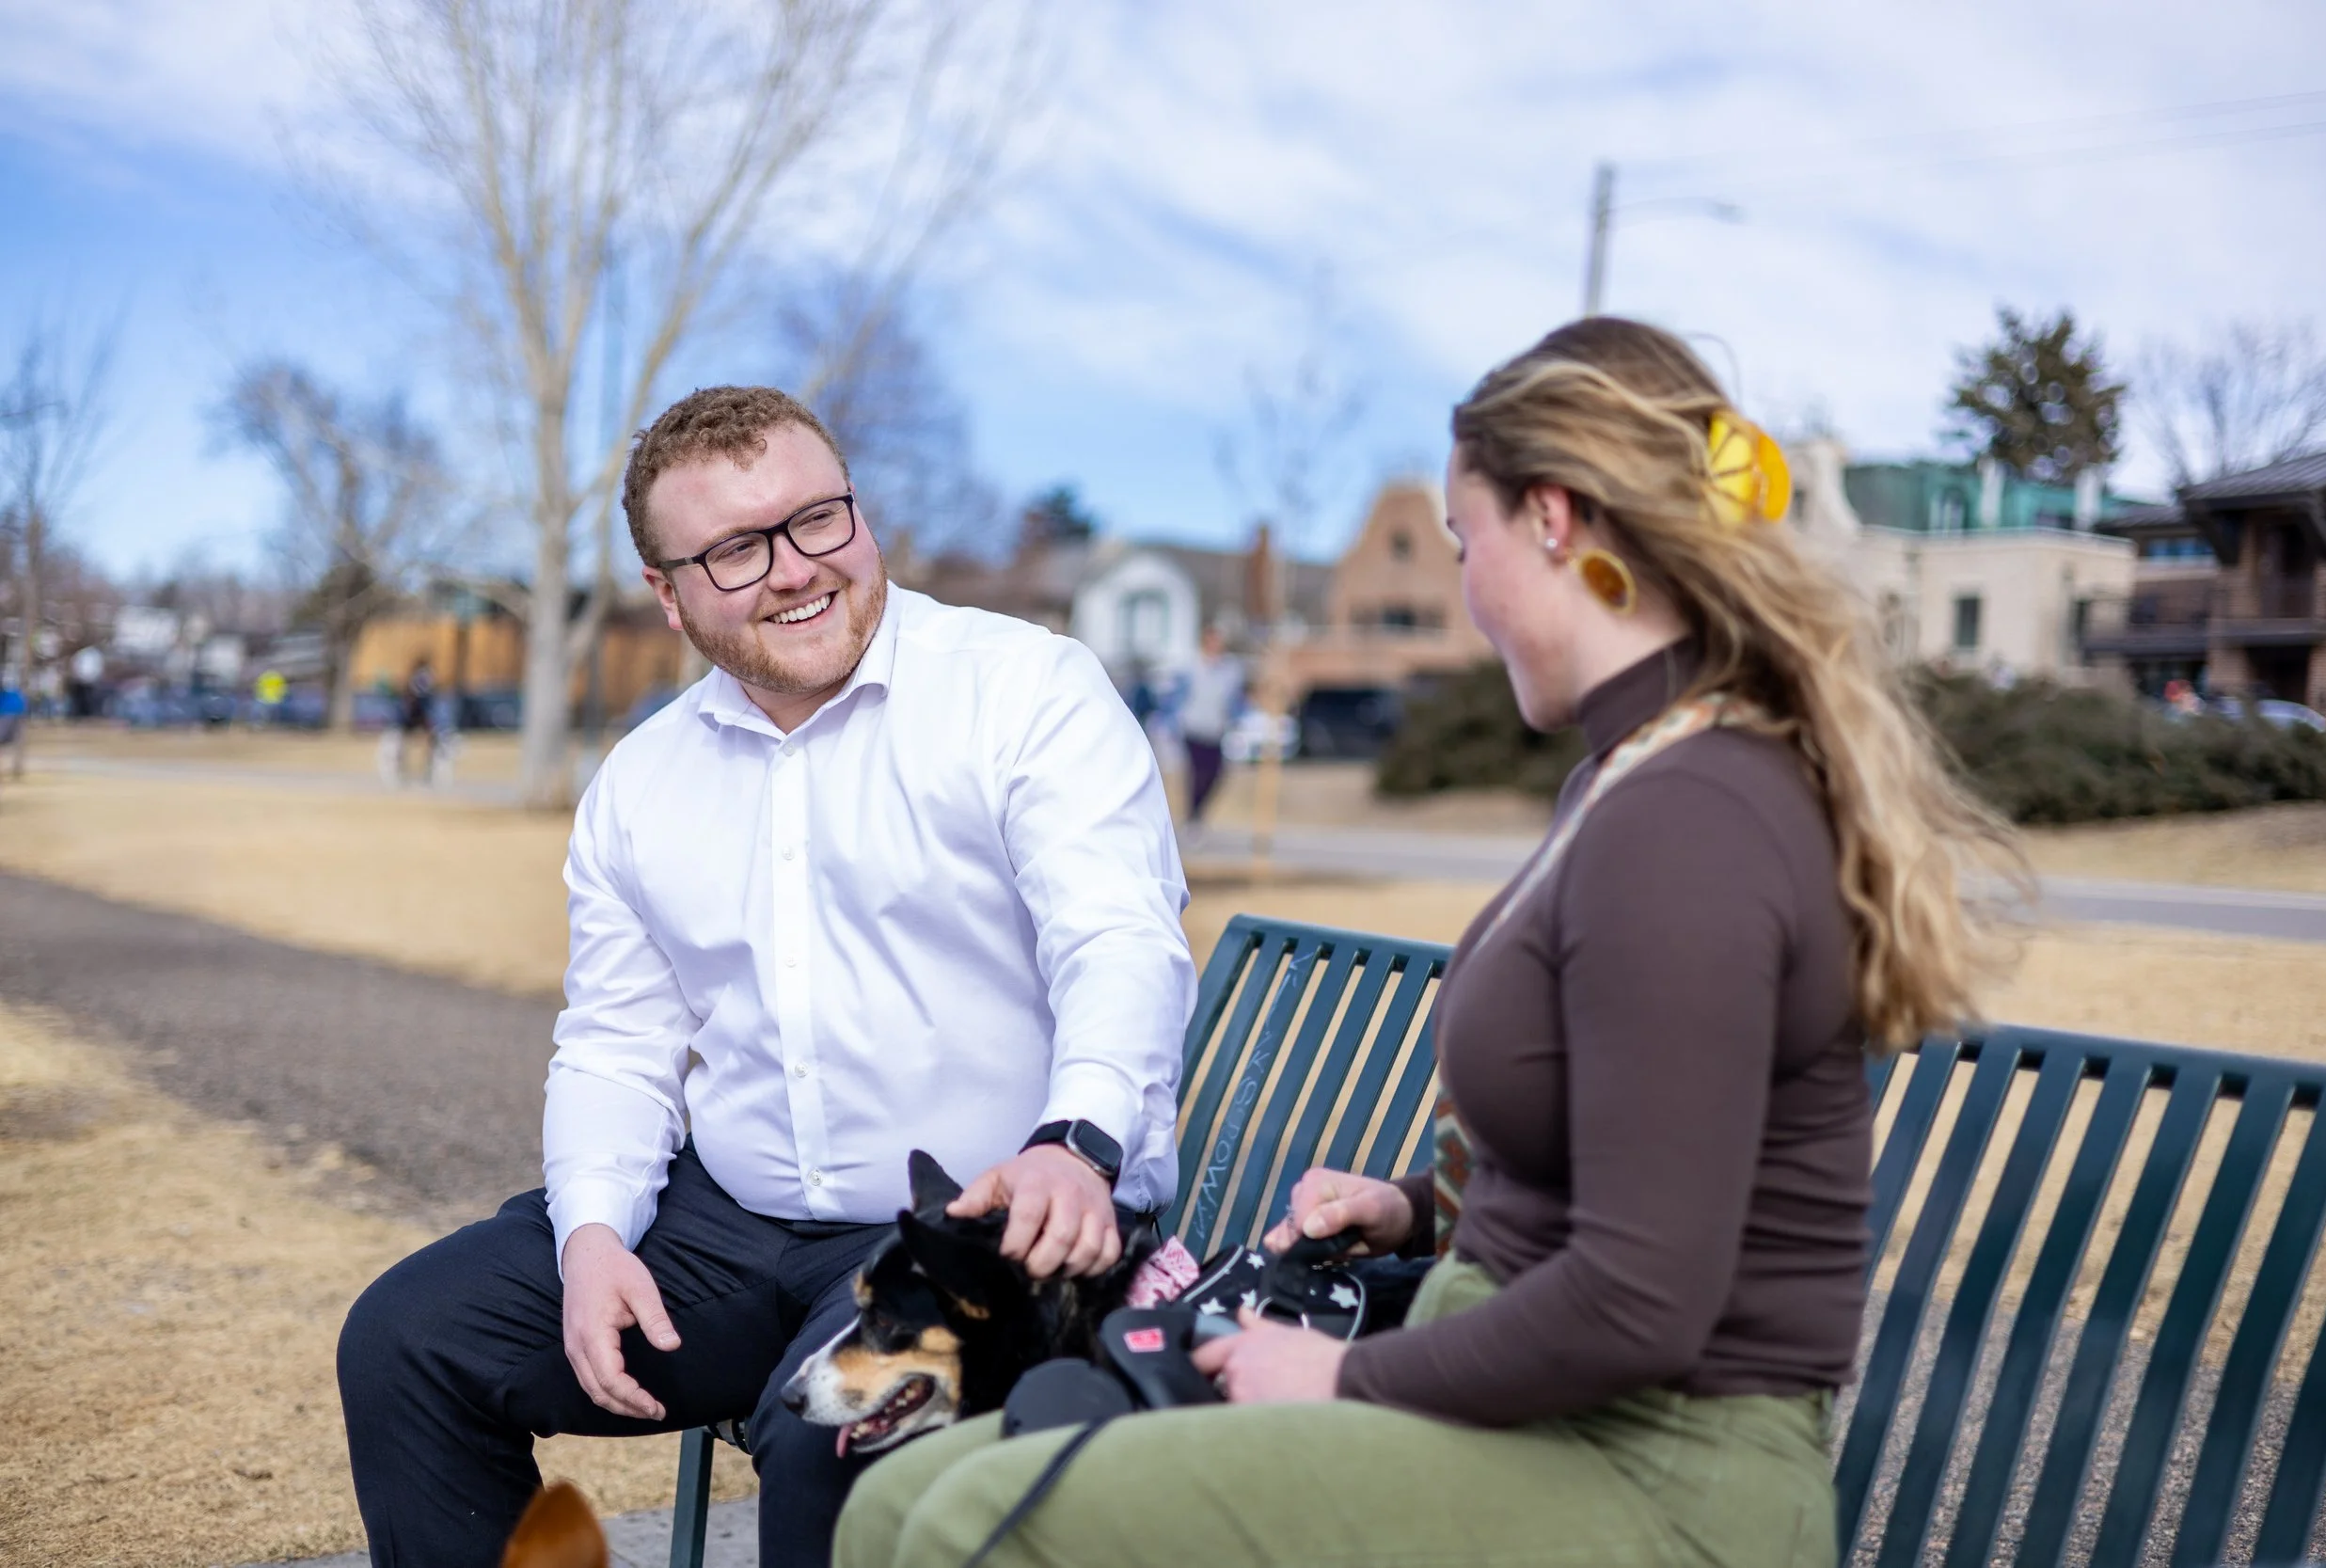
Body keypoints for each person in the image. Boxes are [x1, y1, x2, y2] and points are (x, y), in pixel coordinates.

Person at [834, 318, 2020, 1568]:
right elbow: (1617, 1156)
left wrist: (1340, 1377)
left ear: (1552, 518)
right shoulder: (1632, 779)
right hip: (1534, 1401)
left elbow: (1643, 1299)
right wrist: (1408, 1206)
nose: (1467, 589)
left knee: (967, 1523)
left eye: (1467, 541)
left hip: (1655, 1471)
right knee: (901, 1498)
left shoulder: (1691, 817)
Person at [336, 386, 1194, 1568]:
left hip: (986, 1225)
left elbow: (1117, 938)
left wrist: (1079, 1143)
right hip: (726, 1231)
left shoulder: (1025, 690)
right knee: (409, 1339)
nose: (796, 569)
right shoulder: (643, 781)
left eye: (817, 518)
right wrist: (592, 1234)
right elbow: (617, 1042)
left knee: (834, 1434)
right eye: (738, 548)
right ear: (669, 594)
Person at [1172, 624, 1246, 828]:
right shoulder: (1191, 667)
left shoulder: (1230, 670)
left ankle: (1197, 812)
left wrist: (1237, 718)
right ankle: (1192, 816)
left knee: (1215, 773)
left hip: (1215, 729)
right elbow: (1177, 697)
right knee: (1197, 774)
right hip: (1193, 727)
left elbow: (1236, 699)